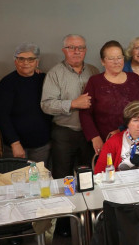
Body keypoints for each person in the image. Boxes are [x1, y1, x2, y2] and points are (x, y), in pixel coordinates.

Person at [41, 34, 98, 179]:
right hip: (64, 134)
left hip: (89, 134)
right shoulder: (55, 74)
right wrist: (73, 104)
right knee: (62, 176)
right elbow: (46, 105)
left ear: (85, 50)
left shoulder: (94, 71)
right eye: (71, 47)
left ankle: (88, 202)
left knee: (88, 175)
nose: (76, 51)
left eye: (80, 48)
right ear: (63, 50)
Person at [79, 40, 139, 155]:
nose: (116, 62)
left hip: (136, 141)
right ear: (102, 61)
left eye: (119, 57)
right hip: (106, 141)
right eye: (111, 58)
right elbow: (85, 113)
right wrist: (94, 137)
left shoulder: (134, 79)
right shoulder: (95, 82)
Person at [0, 43, 51, 162]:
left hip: (42, 145)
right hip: (15, 146)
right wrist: (15, 143)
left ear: (37, 62)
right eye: (21, 59)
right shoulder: (6, 84)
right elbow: (1, 116)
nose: (26, 63)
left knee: (40, 178)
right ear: (15, 61)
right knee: (16, 178)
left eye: (31, 59)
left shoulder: (45, 79)